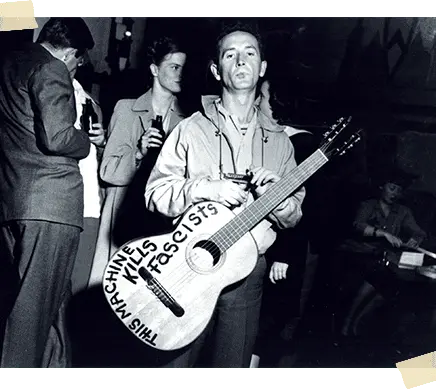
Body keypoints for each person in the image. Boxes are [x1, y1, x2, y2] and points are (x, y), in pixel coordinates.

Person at [144, 22, 306, 368]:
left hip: (248, 274)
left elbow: (295, 215)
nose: (241, 61)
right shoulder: (190, 128)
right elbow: (155, 193)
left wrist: (275, 197)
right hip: (189, 262)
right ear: (217, 71)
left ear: (262, 68)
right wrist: (203, 189)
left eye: (250, 53)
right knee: (174, 365)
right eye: (230, 55)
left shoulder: (280, 142)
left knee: (230, 368)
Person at [0, 17, 95, 367]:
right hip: (52, 206)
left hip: (14, 202)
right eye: (77, 63)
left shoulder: (9, 65)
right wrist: (85, 141)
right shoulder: (52, 67)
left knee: (51, 309)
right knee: (31, 317)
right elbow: (58, 138)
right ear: (71, 53)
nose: (74, 70)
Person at [87, 36, 187, 288]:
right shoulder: (126, 109)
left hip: (161, 216)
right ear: (154, 69)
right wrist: (139, 153)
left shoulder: (188, 120)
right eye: (174, 67)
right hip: (122, 210)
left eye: (184, 68)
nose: (180, 74)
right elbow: (108, 170)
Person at [253, 79, 318, 367]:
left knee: (268, 323)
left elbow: (302, 206)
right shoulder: (270, 136)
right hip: (265, 245)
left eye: (263, 95)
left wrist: (284, 255)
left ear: (277, 103)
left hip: (283, 250)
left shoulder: (301, 144)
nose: (256, 100)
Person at [336, 168, 427, 337]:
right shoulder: (368, 205)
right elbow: (358, 225)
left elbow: (419, 232)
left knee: (388, 281)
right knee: (381, 276)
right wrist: (383, 233)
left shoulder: (403, 211)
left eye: (399, 190)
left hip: (382, 257)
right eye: (392, 188)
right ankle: (349, 320)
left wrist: (416, 239)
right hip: (359, 252)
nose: (395, 193)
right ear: (382, 187)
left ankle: (357, 320)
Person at [69, 56, 107, 296]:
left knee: (79, 284)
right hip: (60, 204)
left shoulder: (91, 104)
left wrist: (102, 143)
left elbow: (102, 167)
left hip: (90, 205)